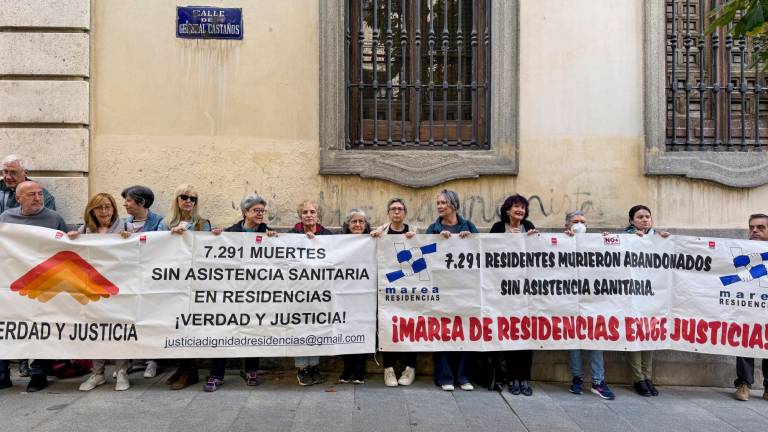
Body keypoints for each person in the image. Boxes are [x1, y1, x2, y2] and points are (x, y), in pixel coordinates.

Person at [204, 194, 276, 392]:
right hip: (231, 291)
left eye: (262, 211)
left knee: (253, 328)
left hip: (255, 292)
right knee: (223, 329)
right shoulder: (230, 233)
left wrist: (273, 239)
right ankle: (217, 373)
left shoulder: (268, 233)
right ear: (246, 212)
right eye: (256, 210)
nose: (260, 214)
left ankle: (251, 369)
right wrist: (216, 237)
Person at [0, 181, 67, 392]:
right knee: (7, 327)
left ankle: (39, 373)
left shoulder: (54, 218)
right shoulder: (6, 218)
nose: (38, 198)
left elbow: (66, 248)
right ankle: (3, 375)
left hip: (44, 283)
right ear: (18, 198)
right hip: (13, 282)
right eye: (31, 195)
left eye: (39, 194)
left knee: (42, 327)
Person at [66, 193, 133, 391]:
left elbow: (141, 250)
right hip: (92, 288)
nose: (104, 211)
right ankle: (97, 373)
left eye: (108, 207)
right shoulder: (85, 230)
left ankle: (122, 372)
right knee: (94, 330)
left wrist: (131, 240)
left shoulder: (126, 228)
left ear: (114, 208)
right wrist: (71, 239)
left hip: (120, 287)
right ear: (92, 211)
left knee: (119, 329)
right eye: (100, 207)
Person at [159, 184, 212, 390]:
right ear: (177, 199)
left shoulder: (202, 224)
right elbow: (157, 248)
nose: (189, 201)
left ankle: (190, 370)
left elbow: (206, 250)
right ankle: (182, 367)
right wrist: (171, 237)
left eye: (193, 198)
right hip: (172, 280)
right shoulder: (165, 224)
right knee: (176, 325)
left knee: (190, 324)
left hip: (194, 281)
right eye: (184, 197)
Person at [426, 189, 478, 392]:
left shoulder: (468, 226)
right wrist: (437, 239)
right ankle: (445, 376)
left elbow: (480, 252)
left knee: (465, 330)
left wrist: (470, 238)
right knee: (441, 331)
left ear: (453, 205)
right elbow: (424, 253)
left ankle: (463, 376)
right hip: (441, 288)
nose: (439, 206)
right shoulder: (433, 228)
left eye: (443, 203)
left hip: (465, 288)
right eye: (438, 203)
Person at [563, 210, 615, 400]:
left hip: (593, 301)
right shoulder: (560, 240)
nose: (580, 225)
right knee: (573, 342)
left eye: (583, 222)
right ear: (567, 225)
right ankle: (577, 378)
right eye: (576, 221)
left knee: (595, 340)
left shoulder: (595, 241)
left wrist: (608, 242)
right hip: (568, 300)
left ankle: (598, 381)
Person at [489, 194, 537, 396]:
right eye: (516, 207)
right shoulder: (498, 228)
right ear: (507, 210)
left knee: (526, 334)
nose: (520, 210)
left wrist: (533, 240)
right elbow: (488, 252)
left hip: (525, 291)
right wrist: (507, 240)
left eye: (523, 207)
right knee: (508, 333)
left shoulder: (529, 227)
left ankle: (523, 378)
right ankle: (511, 378)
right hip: (503, 292)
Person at [624, 204, 669, 397]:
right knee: (635, 337)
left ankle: (648, 376)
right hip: (632, 296)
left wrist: (664, 240)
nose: (644, 220)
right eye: (640, 217)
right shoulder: (624, 238)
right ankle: (638, 378)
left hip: (652, 297)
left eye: (647, 217)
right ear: (631, 221)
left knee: (649, 336)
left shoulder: (659, 238)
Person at [371, 198, 417, 387]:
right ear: (388, 213)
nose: (396, 212)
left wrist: (417, 239)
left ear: (404, 213)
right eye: (393, 209)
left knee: (412, 326)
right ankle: (388, 368)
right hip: (387, 290)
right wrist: (372, 238)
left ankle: (410, 367)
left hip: (410, 290)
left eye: (400, 209)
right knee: (387, 325)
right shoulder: (380, 233)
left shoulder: (414, 233)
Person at [121, 185, 163, 378]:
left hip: (150, 279)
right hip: (128, 278)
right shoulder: (123, 223)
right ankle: (129, 360)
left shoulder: (159, 222)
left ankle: (152, 360)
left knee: (151, 318)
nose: (125, 204)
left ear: (142, 202)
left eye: (129, 200)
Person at [290, 200, 332, 386]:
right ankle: (302, 369)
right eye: (305, 211)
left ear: (317, 215)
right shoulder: (291, 235)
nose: (308, 214)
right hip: (298, 292)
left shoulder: (327, 235)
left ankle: (314, 366)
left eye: (312, 211)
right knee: (301, 329)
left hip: (320, 292)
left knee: (316, 328)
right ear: (300, 215)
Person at [734, 213, 768, 401]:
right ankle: (743, 384)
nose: (754, 231)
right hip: (748, 306)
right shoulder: (742, 251)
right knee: (745, 342)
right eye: (752, 227)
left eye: (760, 228)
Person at [338, 209, 371, 385]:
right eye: (354, 222)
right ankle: (348, 367)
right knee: (345, 329)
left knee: (361, 329)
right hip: (344, 293)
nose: (358, 225)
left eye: (361, 222)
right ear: (348, 225)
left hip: (365, 294)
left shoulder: (373, 240)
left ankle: (359, 368)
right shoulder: (338, 242)